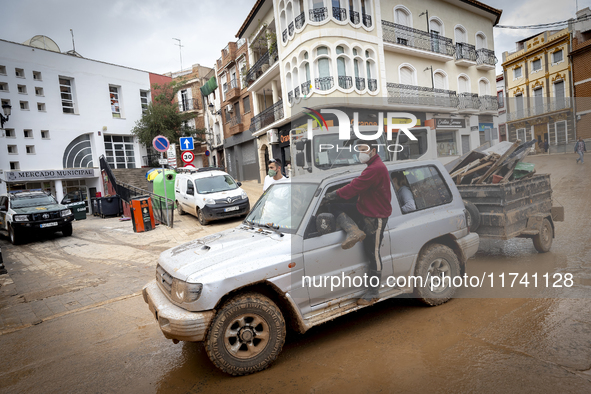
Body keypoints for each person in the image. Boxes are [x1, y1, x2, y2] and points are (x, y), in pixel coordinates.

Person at [323, 144, 392, 306]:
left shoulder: (375, 168)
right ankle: (353, 231)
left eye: (364, 150)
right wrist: (335, 198)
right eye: (359, 151)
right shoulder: (371, 166)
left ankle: (373, 292)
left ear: (374, 151)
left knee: (373, 253)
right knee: (334, 207)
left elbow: (355, 186)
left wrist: (334, 194)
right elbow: (359, 187)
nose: (361, 154)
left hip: (376, 216)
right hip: (364, 209)